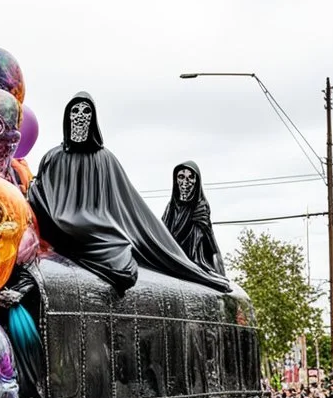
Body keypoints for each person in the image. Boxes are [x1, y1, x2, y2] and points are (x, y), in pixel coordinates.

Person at [27, 93, 230, 294]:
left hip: (98, 233)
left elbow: (129, 205)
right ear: (68, 116)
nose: (80, 116)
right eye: (75, 111)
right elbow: (39, 192)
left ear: (93, 119)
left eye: (86, 111)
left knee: (124, 271)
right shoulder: (53, 157)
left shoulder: (105, 159)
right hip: (57, 228)